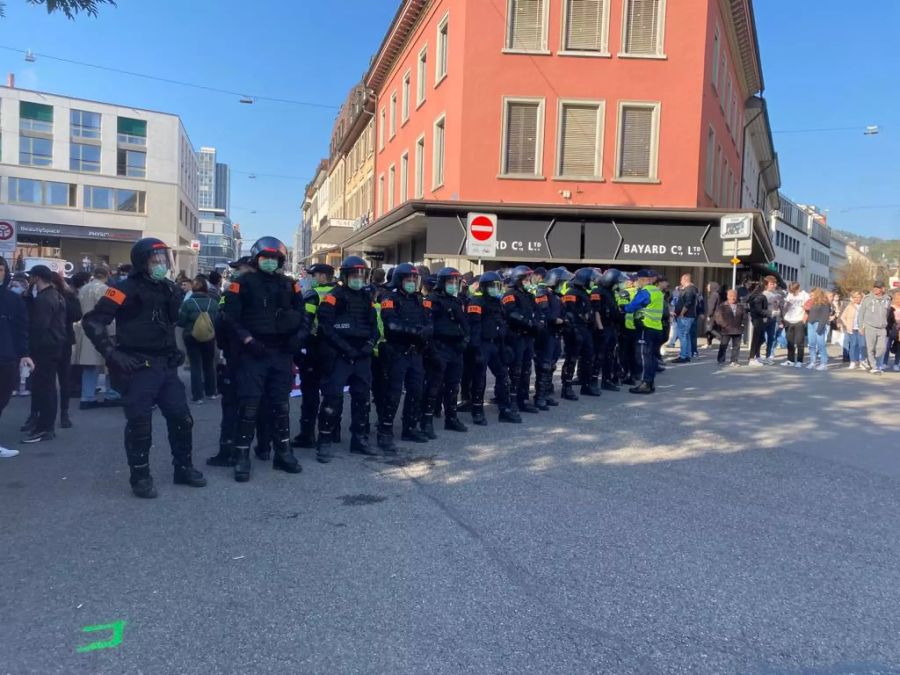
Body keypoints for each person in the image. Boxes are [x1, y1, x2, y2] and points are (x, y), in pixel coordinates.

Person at [82, 238, 206, 498]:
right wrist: (112, 353)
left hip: (166, 366)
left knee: (182, 418)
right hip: (138, 366)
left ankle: (183, 468)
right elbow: (93, 322)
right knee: (140, 424)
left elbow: (171, 324)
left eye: (164, 260)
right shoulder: (121, 288)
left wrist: (175, 350)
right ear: (142, 262)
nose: (161, 265)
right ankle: (140, 476)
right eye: (155, 260)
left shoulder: (168, 289)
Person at [222, 236, 307, 482]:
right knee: (249, 406)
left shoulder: (290, 285)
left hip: (281, 352)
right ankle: (241, 457)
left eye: (274, 258)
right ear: (257, 259)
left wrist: (298, 338)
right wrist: (248, 340)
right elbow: (230, 318)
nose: (269, 262)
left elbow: (303, 315)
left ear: (280, 260)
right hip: (253, 353)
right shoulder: (242, 283)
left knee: (280, 405)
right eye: (265, 257)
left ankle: (283, 453)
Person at [315, 256, 378, 462]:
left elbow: (374, 327)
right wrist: (345, 349)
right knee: (332, 399)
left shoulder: (366, 298)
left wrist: (369, 345)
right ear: (345, 276)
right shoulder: (334, 296)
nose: (358, 278)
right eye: (354, 275)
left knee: (362, 400)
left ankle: (359, 439)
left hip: (361, 356)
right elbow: (325, 327)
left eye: (361, 275)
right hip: (339, 355)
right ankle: (324, 441)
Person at [377, 263, 432, 451]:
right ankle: (385, 431)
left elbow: (429, 322)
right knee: (392, 393)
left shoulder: (420, 300)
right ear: (399, 280)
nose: (411, 283)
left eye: (414, 280)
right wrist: (416, 331)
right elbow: (391, 324)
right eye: (408, 279)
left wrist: (425, 331)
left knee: (416, 391)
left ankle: (410, 427)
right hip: (397, 352)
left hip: (415, 352)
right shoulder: (389, 298)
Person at [206, 256, 253, 468]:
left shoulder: (235, 291)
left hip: (238, 354)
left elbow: (221, 320)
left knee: (234, 404)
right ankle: (261, 448)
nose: (235, 273)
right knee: (250, 404)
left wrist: (225, 347)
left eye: (239, 268)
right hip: (250, 354)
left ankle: (230, 451)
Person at [292, 263, 336, 449]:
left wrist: (296, 347)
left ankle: (307, 435)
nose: (310, 278)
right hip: (336, 350)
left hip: (314, 349)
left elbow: (305, 323)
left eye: (313, 275)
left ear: (323, 276)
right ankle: (332, 433)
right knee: (332, 394)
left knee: (310, 394)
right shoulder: (341, 293)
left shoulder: (312, 295)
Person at [21, 265, 67, 443]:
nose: (29, 280)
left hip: (44, 347)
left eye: (31, 277)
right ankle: (45, 426)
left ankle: (44, 427)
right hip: (55, 345)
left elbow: (39, 326)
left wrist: (28, 349)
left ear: (37, 278)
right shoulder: (55, 295)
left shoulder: (44, 299)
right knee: (47, 387)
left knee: (44, 387)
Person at [421, 267, 469, 437]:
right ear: (442, 283)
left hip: (456, 349)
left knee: (453, 385)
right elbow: (428, 327)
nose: (453, 285)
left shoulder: (456, 301)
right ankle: (426, 421)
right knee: (434, 386)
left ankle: (451, 418)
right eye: (450, 282)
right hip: (439, 348)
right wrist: (433, 351)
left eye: (455, 282)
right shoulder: (432, 300)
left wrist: (465, 340)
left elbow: (464, 323)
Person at [0, 256, 32, 458]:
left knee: (2, 398)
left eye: (1, 269)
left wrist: (24, 354)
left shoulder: (12, 299)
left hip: (6, 357)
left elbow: (21, 328)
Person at [502, 265, 541, 412]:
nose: (528, 281)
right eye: (526, 278)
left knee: (526, 369)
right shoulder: (510, 294)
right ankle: (511, 400)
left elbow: (537, 312)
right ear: (518, 280)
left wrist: (538, 322)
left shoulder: (529, 295)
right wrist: (528, 322)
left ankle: (523, 399)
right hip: (515, 336)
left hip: (528, 337)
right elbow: (511, 314)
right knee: (515, 370)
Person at [622, 270, 664, 394]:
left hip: (646, 328)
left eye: (638, 279)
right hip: (656, 328)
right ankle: (650, 383)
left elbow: (631, 307)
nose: (636, 282)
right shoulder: (656, 291)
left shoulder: (645, 292)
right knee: (650, 356)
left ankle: (645, 384)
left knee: (643, 357)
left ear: (644, 279)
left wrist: (623, 308)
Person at [178, 277, 219, 403]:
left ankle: (197, 396)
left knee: (195, 365)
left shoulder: (188, 303)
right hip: (208, 337)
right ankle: (211, 392)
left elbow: (181, 321)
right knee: (209, 364)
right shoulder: (213, 303)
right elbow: (218, 321)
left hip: (191, 336)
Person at [561, 268, 599, 400]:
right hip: (574, 329)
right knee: (571, 359)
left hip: (585, 329)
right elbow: (569, 313)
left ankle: (586, 385)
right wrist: (573, 330)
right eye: (591, 280)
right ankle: (566, 387)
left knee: (588, 357)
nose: (593, 282)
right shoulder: (571, 293)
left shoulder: (584, 292)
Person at [532, 268, 565, 409]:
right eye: (561, 282)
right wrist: (556, 320)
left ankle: (546, 393)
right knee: (544, 365)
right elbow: (543, 312)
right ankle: (539, 397)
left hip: (555, 333)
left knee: (551, 365)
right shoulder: (542, 293)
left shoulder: (556, 295)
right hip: (545, 333)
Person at [594, 268, 626, 391]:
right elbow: (596, 311)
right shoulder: (598, 291)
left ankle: (607, 380)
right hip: (603, 328)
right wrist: (600, 328)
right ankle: (593, 381)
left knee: (610, 355)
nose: (619, 284)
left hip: (612, 327)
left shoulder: (610, 292)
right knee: (599, 356)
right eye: (617, 282)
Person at [857, 281, 891, 375]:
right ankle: (874, 366)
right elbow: (861, 313)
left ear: (883, 289)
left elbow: (887, 313)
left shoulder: (887, 299)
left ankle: (871, 361)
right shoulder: (867, 299)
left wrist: (884, 322)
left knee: (882, 348)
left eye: (878, 287)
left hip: (882, 328)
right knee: (870, 347)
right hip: (870, 326)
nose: (875, 289)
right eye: (874, 287)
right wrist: (861, 327)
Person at [671, 273, 698, 364]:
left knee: (683, 335)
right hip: (687, 316)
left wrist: (682, 313)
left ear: (686, 280)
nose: (680, 281)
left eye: (681, 280)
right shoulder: (689, 289)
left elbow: (688, 303)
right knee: (686, 335)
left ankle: (683, 356)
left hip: (686, 316)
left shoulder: (689, 290)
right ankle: (687, 354)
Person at [714, 289, 746, 366]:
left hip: (737, 328)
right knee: (723, 345)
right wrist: (724, 325)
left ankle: (734, 361)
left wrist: (743, 324)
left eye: (734, 296)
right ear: (727, 296)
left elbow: (744, 316)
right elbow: (718, 317)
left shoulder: (740, 306)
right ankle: (721, 360)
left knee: (736, 346)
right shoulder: (722, 305)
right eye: (731, 296)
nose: (733, 298)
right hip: (726, 329)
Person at [781, 282, 808, 368]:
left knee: (800, 342)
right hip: (789, 320)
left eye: (794, 291)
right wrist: (786, 305)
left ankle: (800, 361)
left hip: (799, 320)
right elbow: (785, 307)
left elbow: (808, 308)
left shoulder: (804, 295)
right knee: (790, 342)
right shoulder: (789, 295)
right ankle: (790, 360)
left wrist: (804, 319)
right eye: (791, 291)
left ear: (798, 288)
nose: (793, 293)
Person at [805, 288, 831, 371]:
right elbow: (809, 312)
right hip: (811, 323)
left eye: (812, 295)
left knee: (821, 344)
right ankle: (813, 362)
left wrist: (820, 327)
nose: (810, 296)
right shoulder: (812, 302)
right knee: (811, 344)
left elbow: (825, 316)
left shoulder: (825, 303)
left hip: (818, 324)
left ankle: (824, 363)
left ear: (817, 294)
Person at [839, 291, 865, 369]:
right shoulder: (850, 306)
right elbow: (843, 317)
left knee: (862, 345)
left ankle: (861, 361)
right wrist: (847, 325)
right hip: (852, 328)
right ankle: (853, 361)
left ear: (861, 298)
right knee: (853, 345)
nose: (857, 299)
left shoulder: (864, 306)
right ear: (853, 298)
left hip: (862, 328)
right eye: (855, 297)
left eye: (859, 297)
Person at [746, 281, 769, 366]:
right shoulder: (761, 297)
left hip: (755, 318)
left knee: (760, 338)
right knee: (757, 339)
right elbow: (760, 309)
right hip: (759, 319)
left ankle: (756, 356)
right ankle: (752, 358)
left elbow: (749, 307)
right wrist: (769, 313)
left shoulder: (752, 296)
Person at [762, 276, 783, 362]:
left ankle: (769, 355)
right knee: (761, 338)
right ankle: (757, 355)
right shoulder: (763, 294)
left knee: (771, 338)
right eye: (771, 284)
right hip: (764, 319)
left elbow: (780, 307)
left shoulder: (778, 295)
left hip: (773, 319)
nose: (773, 285)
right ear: (766, 285)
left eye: (774, 284)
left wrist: (780, 318)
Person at [704, 282, 722, 349]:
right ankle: (709, 343)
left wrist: (709, 315)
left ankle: (722, 339)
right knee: (709, 329)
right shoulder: (714, 294)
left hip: (712, 315)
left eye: (708, 286)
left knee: (710, 329)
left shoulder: (714, 295)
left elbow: (712, 306)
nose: (707, 288)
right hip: (713, 314)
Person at [886, 292, 900, 371]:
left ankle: (896, 363)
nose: (898, 301)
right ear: (894, 299)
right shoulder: (890, 308)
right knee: (887, 347)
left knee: (899, 348)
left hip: (899, 331)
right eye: (897, 299)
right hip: (890, 329)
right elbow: (887, 319)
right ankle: (884, 363)